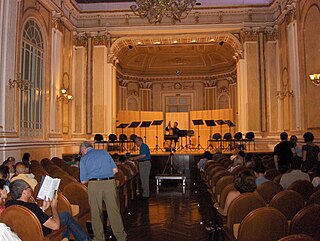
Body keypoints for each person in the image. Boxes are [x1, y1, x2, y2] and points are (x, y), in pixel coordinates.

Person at [6, 179, 92, 241]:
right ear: (24, 192)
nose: (30, 189)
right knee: (67, 217)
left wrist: (42, 208)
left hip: (25, 233)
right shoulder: (32, 207)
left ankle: (65, 238)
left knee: (66, 219)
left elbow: (29, 215)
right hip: (43, 235)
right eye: (28, 187)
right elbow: (55, 226)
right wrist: (53, 207)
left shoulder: (9, 205)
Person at [79, 141, 127, 241]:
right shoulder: (104, 153)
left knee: (96, 212)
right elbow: (115, 170)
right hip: (109, 183)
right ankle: (121, 237)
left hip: (94, 185)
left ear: (84, 149)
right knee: (113, 210)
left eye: (81, 151)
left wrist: (92, 176)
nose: (81, 153)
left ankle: (99, 238)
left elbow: (83, 180)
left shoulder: (84, 158)